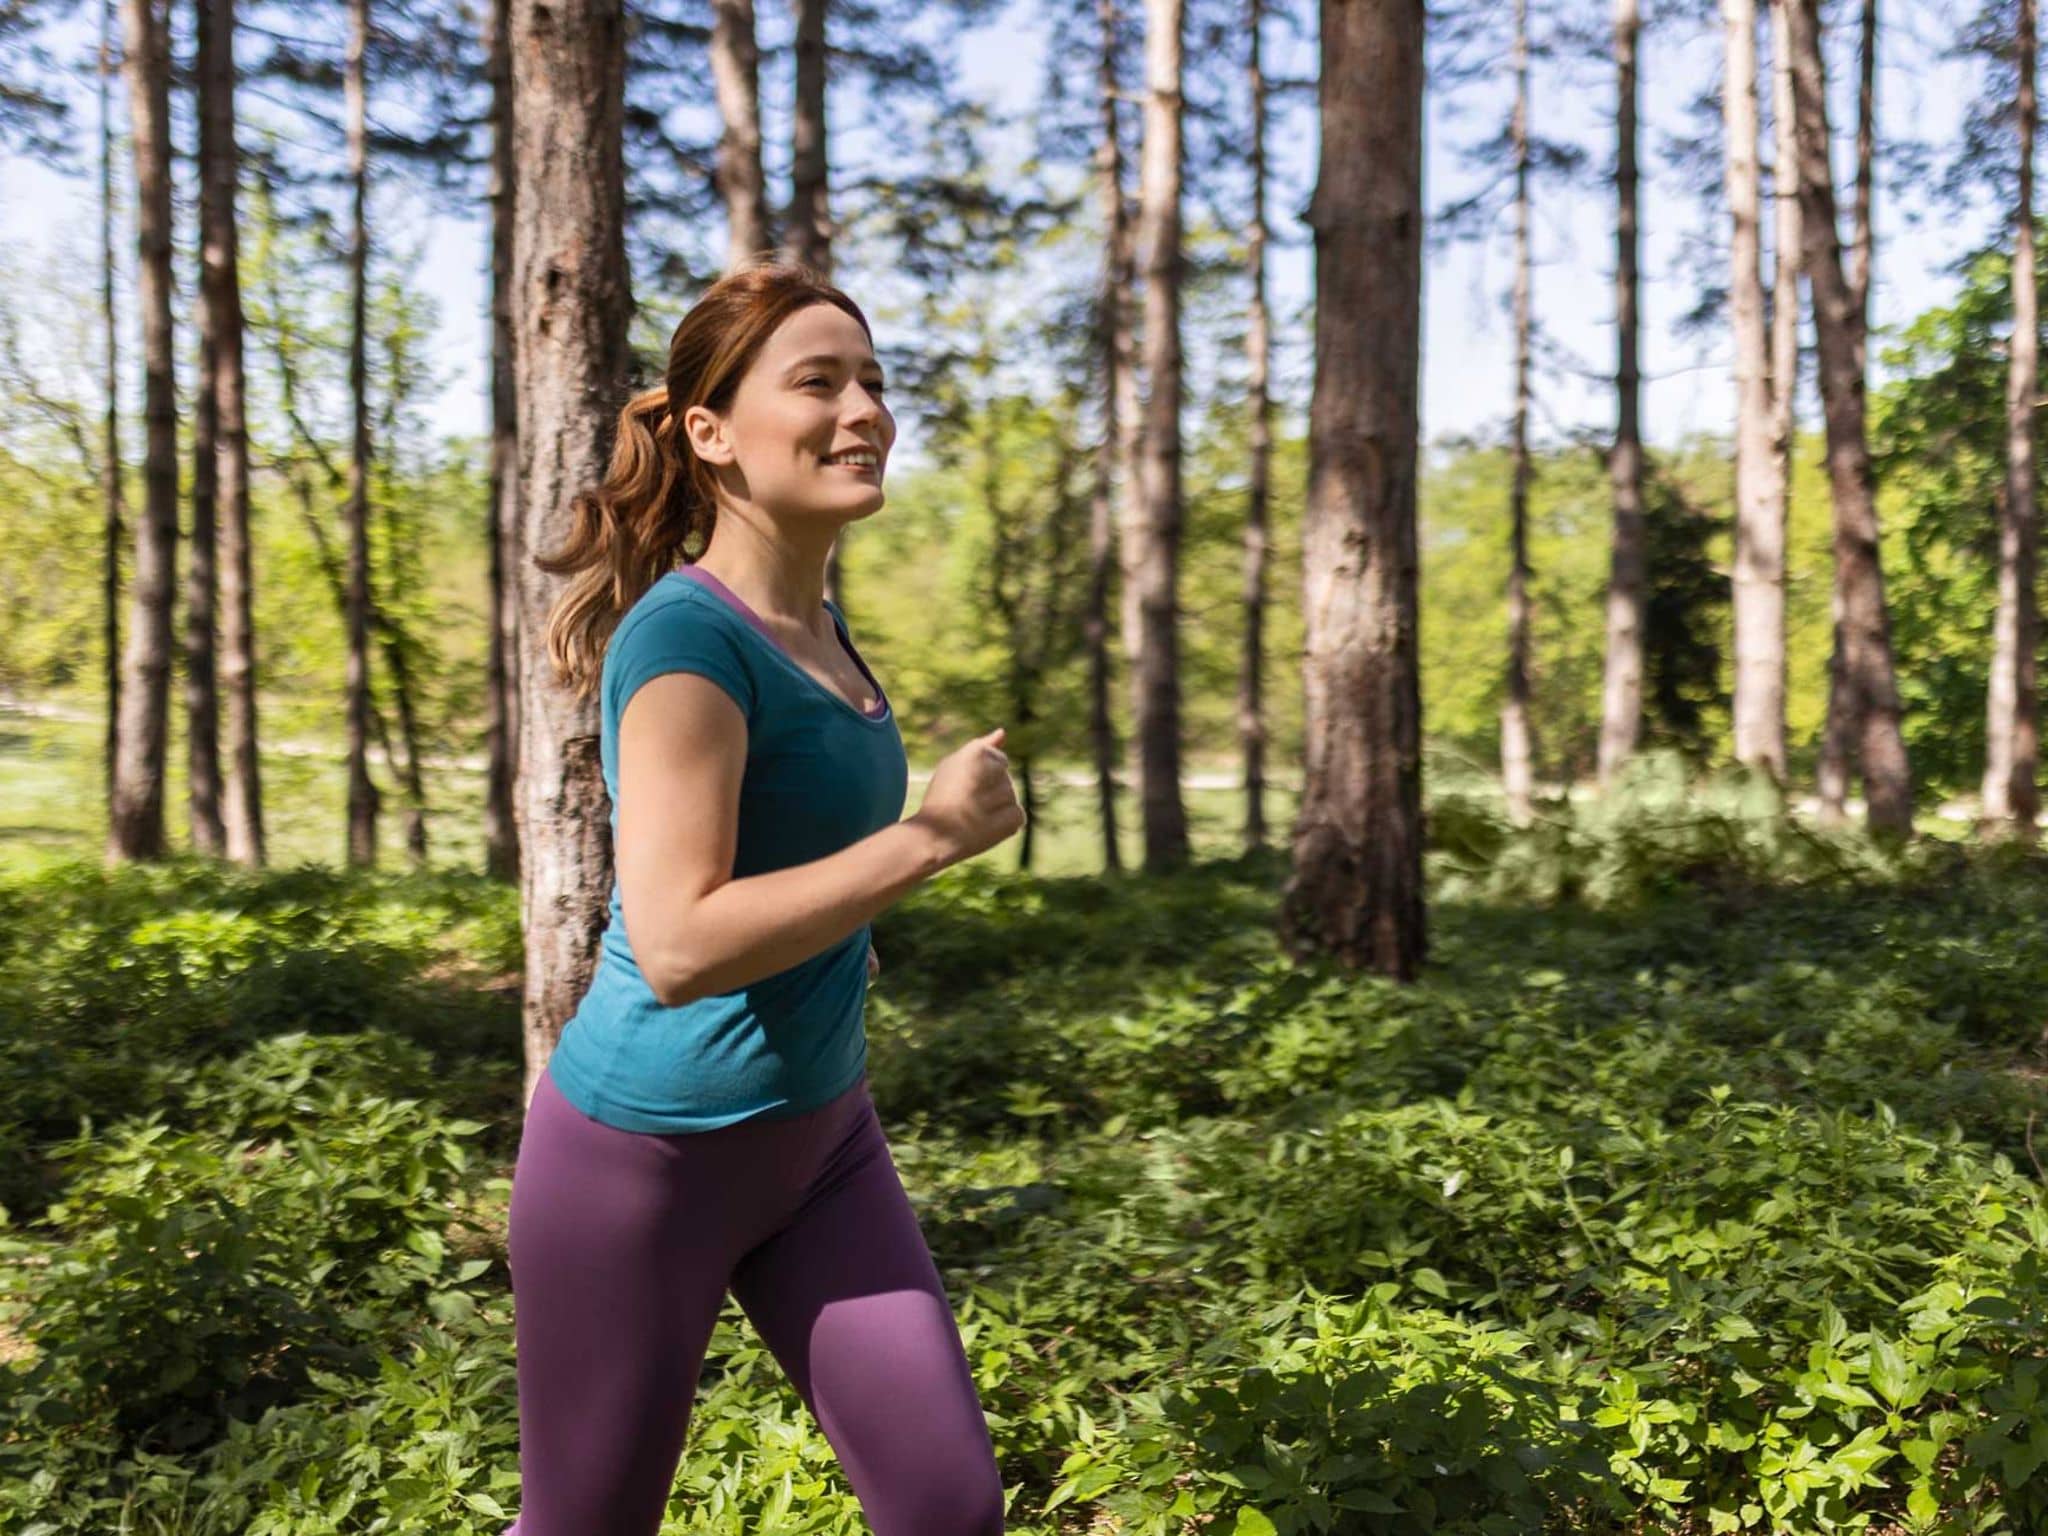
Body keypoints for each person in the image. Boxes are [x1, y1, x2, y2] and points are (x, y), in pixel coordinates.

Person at [502, 255, 1025, 1535]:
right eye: (817, 383)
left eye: (872, 382)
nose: (863, 412)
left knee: (948, 1508)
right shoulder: (687, 641)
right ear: (710, 432)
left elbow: (783, 866)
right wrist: (928, 840)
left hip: (820, 1141)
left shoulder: (821, 628)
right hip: (646, 1165)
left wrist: (841, 942)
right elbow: (677, 944)